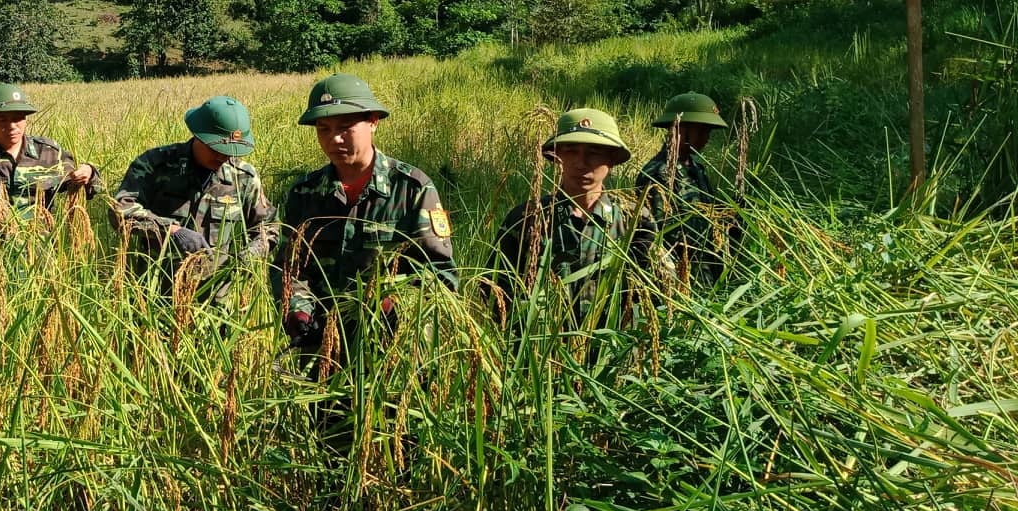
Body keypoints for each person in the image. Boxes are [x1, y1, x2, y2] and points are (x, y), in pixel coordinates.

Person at [271, 74, 458, 367]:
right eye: (324, 129)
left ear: (373, 122)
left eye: (346, 127)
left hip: (394, 353)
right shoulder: (304, 192)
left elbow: (441, 275)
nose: (334, 138)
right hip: (324, 351)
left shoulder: (412, 188)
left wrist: (393, 302)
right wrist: (298, 311)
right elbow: (289, 268)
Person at [493, 108, 667, 329]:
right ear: (557, 157)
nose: (580, 163)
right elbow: (495, 289)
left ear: (611, 159)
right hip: (543, 353)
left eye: (594, 153)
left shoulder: (634, 219)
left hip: (613, 349)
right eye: (571, 151)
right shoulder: (528, 217)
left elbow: (659, 287)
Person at [111, 95, 277, 301]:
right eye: (216, 149)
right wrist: (171, 231)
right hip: (156, 293)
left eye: (229, 151)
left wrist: (252, 252)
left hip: (215, 298)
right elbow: (120, 210)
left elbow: (269, 227)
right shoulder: (155, 164)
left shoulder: (243, 177)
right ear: (198, 135)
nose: (222, 157)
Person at [0, 84, 104, 230]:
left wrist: (88, 173)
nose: (12, 126)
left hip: (42, 246)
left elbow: (88, 186)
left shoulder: (47, 151)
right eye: (2, 120)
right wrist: (23, 230)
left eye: (18, 119)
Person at [636, 92, 737, 285]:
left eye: (708, 132)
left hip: (705, 270)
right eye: (701, 131)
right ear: (679, 129)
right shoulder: (659, 173)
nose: (706, 138)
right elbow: (661, 231)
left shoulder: (695, 168)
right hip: (677, 275)